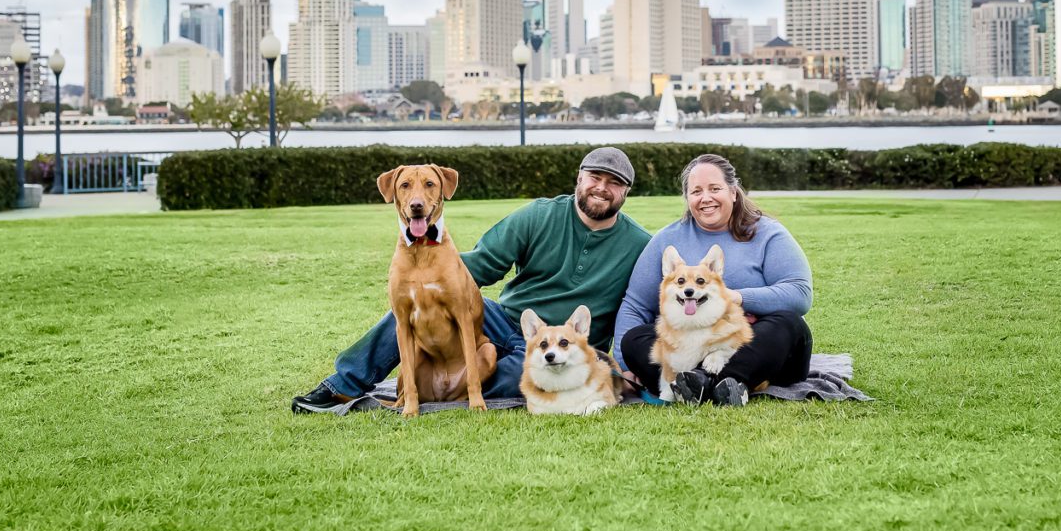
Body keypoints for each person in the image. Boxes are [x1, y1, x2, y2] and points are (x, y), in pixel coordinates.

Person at [292, 147, 651, 413]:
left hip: (562, 346)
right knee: (419, 302)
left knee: (527, 378)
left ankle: (442, 388)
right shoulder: (539, 215)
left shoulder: (639, 244)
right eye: (595, 177)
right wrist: (424, 279)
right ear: (580, 178)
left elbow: (642, 307)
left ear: (625, 192)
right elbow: (481, 264)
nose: (602, 188)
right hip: (504, 321)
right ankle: (340, 385)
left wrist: (623, 361)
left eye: (614, 183)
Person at [614, 152, 813, 407]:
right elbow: (635, 305)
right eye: (696, 191)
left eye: (714, 188)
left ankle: (724, 380)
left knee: (789, 323)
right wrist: (624, 363)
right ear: (687, 198)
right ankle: (705, 385)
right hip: (690, 346)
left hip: (754, 344)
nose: (705, 198)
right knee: (635, 338)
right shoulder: (667, 239)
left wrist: (737, 298)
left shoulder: (768, 233)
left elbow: (800, 294)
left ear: (733, 191)